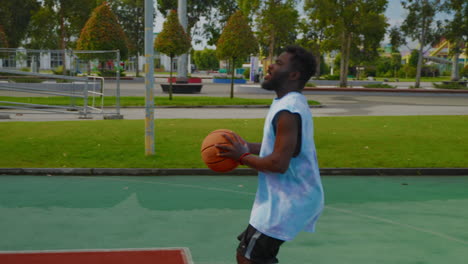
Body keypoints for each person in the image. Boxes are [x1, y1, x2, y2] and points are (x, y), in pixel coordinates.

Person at [216, 45, 324, 264]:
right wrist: (246, 147)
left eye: (280, 63)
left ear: (294, 75)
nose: (271, 66)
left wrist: (241, 157)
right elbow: (282, 148)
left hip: (290, 200)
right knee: (249, 254)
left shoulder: (288, 110)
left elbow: (278, 163)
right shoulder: (287, 104)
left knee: (249, 258)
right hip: (283, 198)